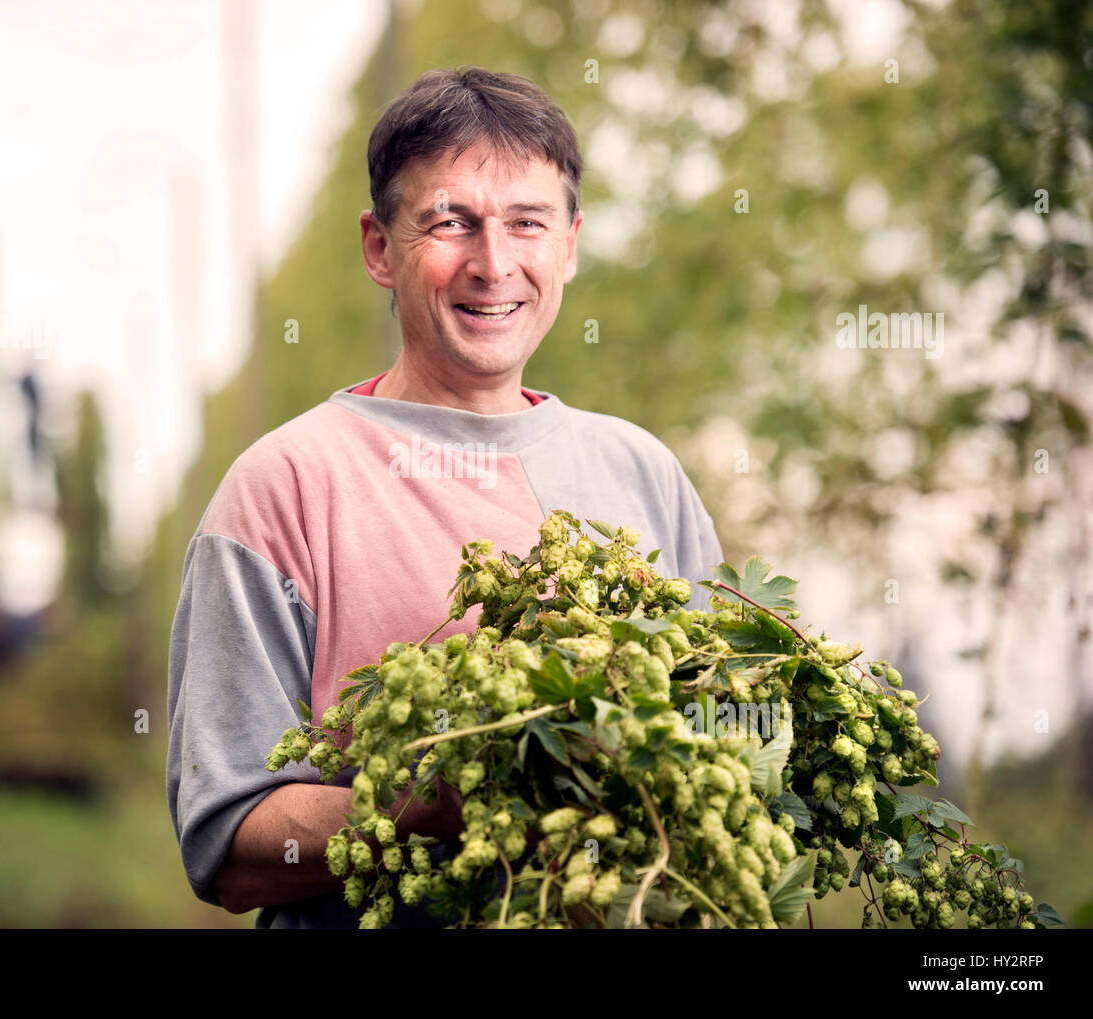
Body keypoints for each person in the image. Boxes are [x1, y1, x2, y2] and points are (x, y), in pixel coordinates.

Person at [166, 66, 725, 929]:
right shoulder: (284, 489)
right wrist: (463, 789)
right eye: (450, 222)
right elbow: (230, 842)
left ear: (570, 243)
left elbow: (725, 742)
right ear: (380, 248)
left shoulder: (645, 474)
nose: (493, 263)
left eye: (527, 224)